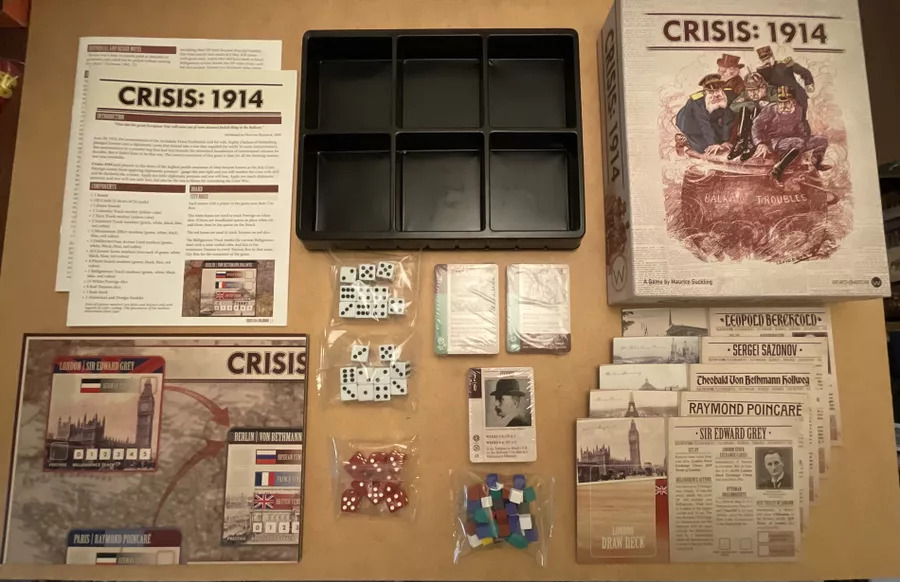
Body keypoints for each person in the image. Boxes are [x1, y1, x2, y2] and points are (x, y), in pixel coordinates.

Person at [751, 85, 830, 182]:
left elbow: (800, 126)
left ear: (793, 102)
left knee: (822, 140)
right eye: (780, 103)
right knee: (798, 142)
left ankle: (816, 164)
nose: (783, 106)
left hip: (796, 140)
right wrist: (760, 143)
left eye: (786, 103)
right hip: (776, 141)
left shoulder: (799, 109)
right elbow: (756, 126)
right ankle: (777, 170)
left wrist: (807, 137)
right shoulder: (770, 109)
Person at [675, 73, 736, 156]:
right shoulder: (697, 102)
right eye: (711, 92)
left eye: (717, 90)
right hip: (692, 123)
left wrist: (726, 141)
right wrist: (713, 144)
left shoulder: (729, 95)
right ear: (705, 92)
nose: (715, 95)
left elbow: (728, 120)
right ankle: (683, 140)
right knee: (704, 148)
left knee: (724, 143)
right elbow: (704, 123)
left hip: (712, 120)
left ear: (722, 88)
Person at [727, 72, 778, 161]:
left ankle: (752, 142)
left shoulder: (773, 91)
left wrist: (762, 106)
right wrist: (755, 103)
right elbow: (733, 106)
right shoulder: (746, 93)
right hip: (752, 123)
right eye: (750, 91)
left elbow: (778, 106)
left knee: (756, 110)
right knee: (744, 109)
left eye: (756, 90)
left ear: (763, 87)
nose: (753, 94)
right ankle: (742, 141)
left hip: (769, 126)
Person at [755, 46, 814, 120]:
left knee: (800, 120)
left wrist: (808, 83)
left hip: (797, 96)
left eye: (768, 58)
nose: (767, 61)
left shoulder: (785, 64)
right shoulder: (763, 72)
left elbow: (803, 71)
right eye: (764, 60)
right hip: (780, 101)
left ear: (772, 56)